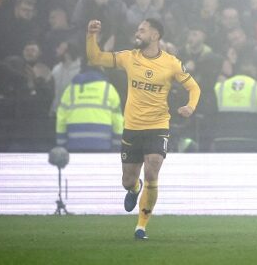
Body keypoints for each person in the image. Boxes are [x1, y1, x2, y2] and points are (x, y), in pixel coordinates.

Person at [86, 18, 200, 240]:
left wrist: (190, 106)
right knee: (128, 180)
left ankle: (141, 226)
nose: (137, 33)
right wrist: (91, 36)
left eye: (142, 30)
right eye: (137, 30)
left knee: (152, 170)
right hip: (132, 128)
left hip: (157, 126)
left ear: (155, 35)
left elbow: (194, 87)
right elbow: (95, 58)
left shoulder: (171, 63)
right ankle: (134, 188)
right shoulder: (129, 57)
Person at [55, 66, 124, 151]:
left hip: (75, 144)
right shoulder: (109, 89)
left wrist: (61, 144)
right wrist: (117, 146)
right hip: (102, 145)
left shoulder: (70, 89)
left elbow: (61, 119)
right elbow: (118, 121)